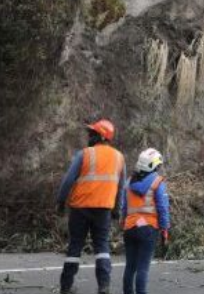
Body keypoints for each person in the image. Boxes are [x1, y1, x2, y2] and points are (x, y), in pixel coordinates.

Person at [57, 120, 126, 294]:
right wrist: (117, 210)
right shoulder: (119, 157)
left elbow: (67, 180)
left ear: (101, 136)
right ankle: (104, 286)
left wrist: (60, 201)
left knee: (75, 247)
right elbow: (121, 187)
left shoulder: (85, 154)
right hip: (103, 209)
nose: (89, 136)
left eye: (92, 133)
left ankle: (66, 286)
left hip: (80, 208)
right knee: (102, 247)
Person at [122, 148, 170, 294]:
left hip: (129, 227)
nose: (159, 168)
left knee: (130, 266)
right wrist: (164, 229)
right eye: (158, 165)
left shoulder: (129, 182)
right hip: (148, 229)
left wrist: (123, 224)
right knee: (143, 268)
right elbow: (162, 207)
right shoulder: (157, 182)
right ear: (153, 166)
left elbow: (124, 207)